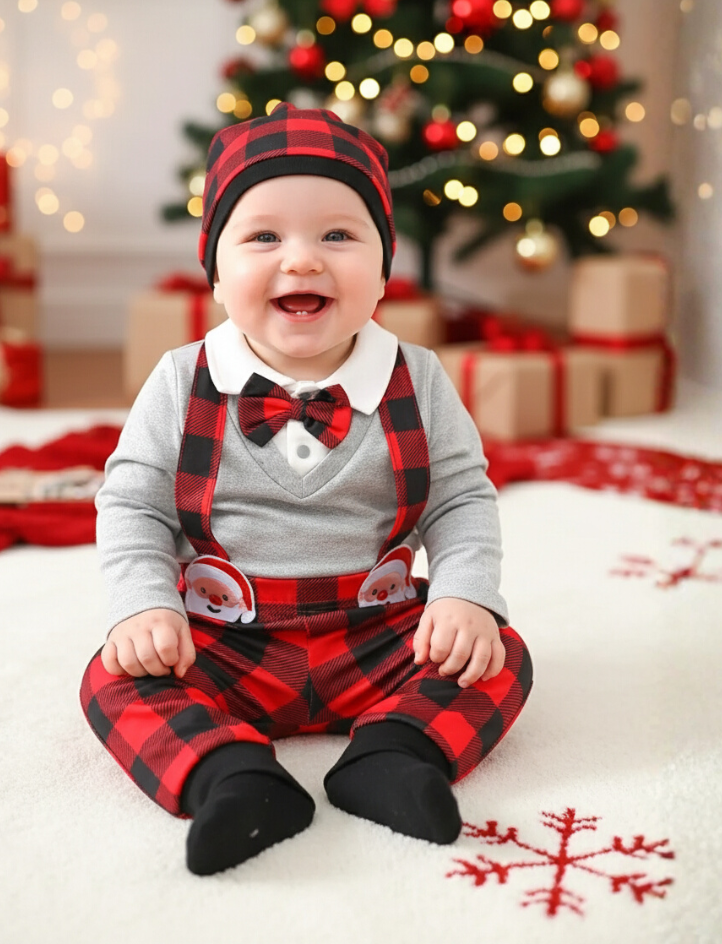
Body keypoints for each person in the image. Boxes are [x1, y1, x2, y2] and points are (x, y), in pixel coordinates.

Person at [80, 102, 532, 876]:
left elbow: (459, 499)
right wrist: (143, 606)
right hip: (227, 638)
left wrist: (463, 596)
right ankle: (232, 776)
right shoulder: (182, 380)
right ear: (216, 273)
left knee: (499, 658)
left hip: (378, 631)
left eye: (338, 235)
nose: (301, 260)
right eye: (263, 236)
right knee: (113, 678)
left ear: (384, 270)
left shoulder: (416, 376)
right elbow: (133, 504)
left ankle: (395, 756)